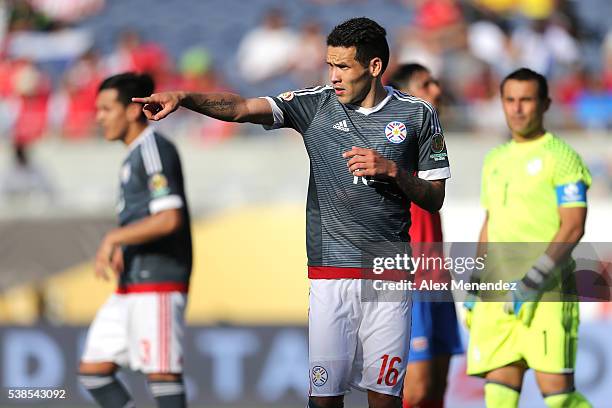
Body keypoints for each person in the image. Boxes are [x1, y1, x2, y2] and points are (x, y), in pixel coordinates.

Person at [134, 17, 450, 408]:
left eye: (343, 66)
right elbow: (241, 108)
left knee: (385, 399)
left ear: (373, 67)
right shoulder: (314, 104)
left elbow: (435, 196)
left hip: (387, 272)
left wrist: (393, 171)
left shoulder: (417, 114)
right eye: (330, 64)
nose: (333, 75)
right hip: (329, 273)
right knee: (324, 400)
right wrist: (184, 98)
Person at [464, 68, 592, 408]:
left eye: (526, 100)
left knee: (559, 399)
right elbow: (490, 223)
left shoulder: (562, 157)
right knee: (499, 396)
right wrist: (476, 283)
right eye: (510, 100)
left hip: (546, 293)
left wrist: (532, 281)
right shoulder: (495, 159)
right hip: (497, 295)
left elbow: (573, 226)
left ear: (545, 104)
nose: (517, 109)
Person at [78, 72, 192, 408]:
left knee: (162, 374)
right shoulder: (132, 156)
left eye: (105, 109)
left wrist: (115, 237)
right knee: (93, 371)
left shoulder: (153, 148)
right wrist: (125, 244)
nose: (99, 118)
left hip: (158, 282)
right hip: (131, 283)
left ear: (131, 110)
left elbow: (170, 217)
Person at [389, 63, 463, 408]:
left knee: (434, 394)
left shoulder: (432, 146)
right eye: (426, 84)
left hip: (437, 283)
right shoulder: (393, 147)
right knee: (413, 393)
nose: (436, 90)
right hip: (407, 282)